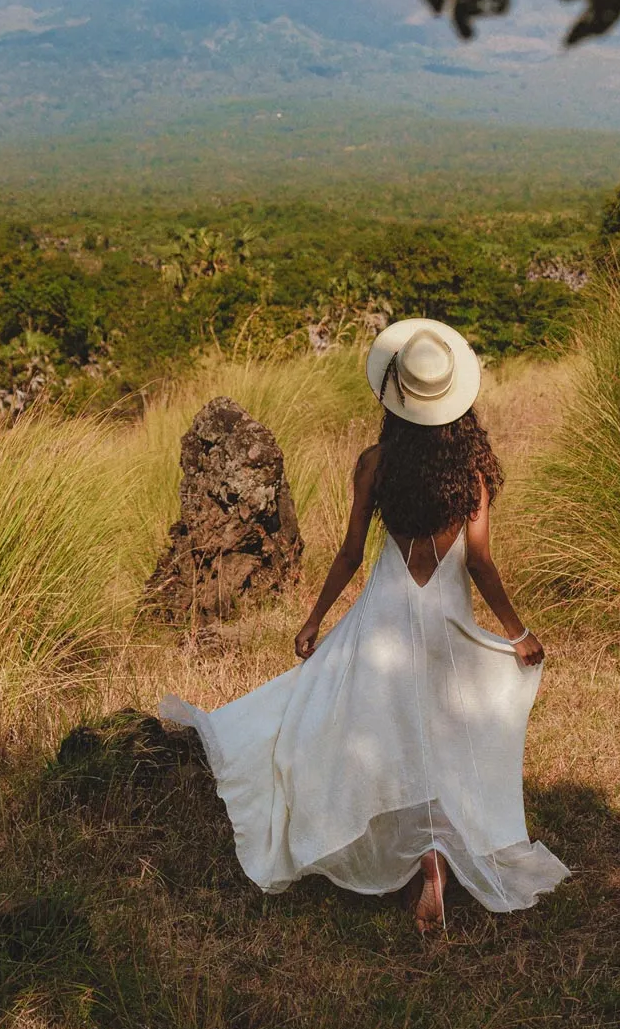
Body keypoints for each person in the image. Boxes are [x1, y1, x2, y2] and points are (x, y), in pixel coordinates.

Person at [160, 318, 568, 935]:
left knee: (356, 726)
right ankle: (434, 854)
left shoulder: (375, 464)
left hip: (383, 616)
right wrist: (516, 632)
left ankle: (409, 853)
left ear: (397, 398)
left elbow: (351, 552)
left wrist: (314, 620)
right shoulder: (475, 478)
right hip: (445, 623)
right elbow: (480, 564)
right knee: (437, 734)